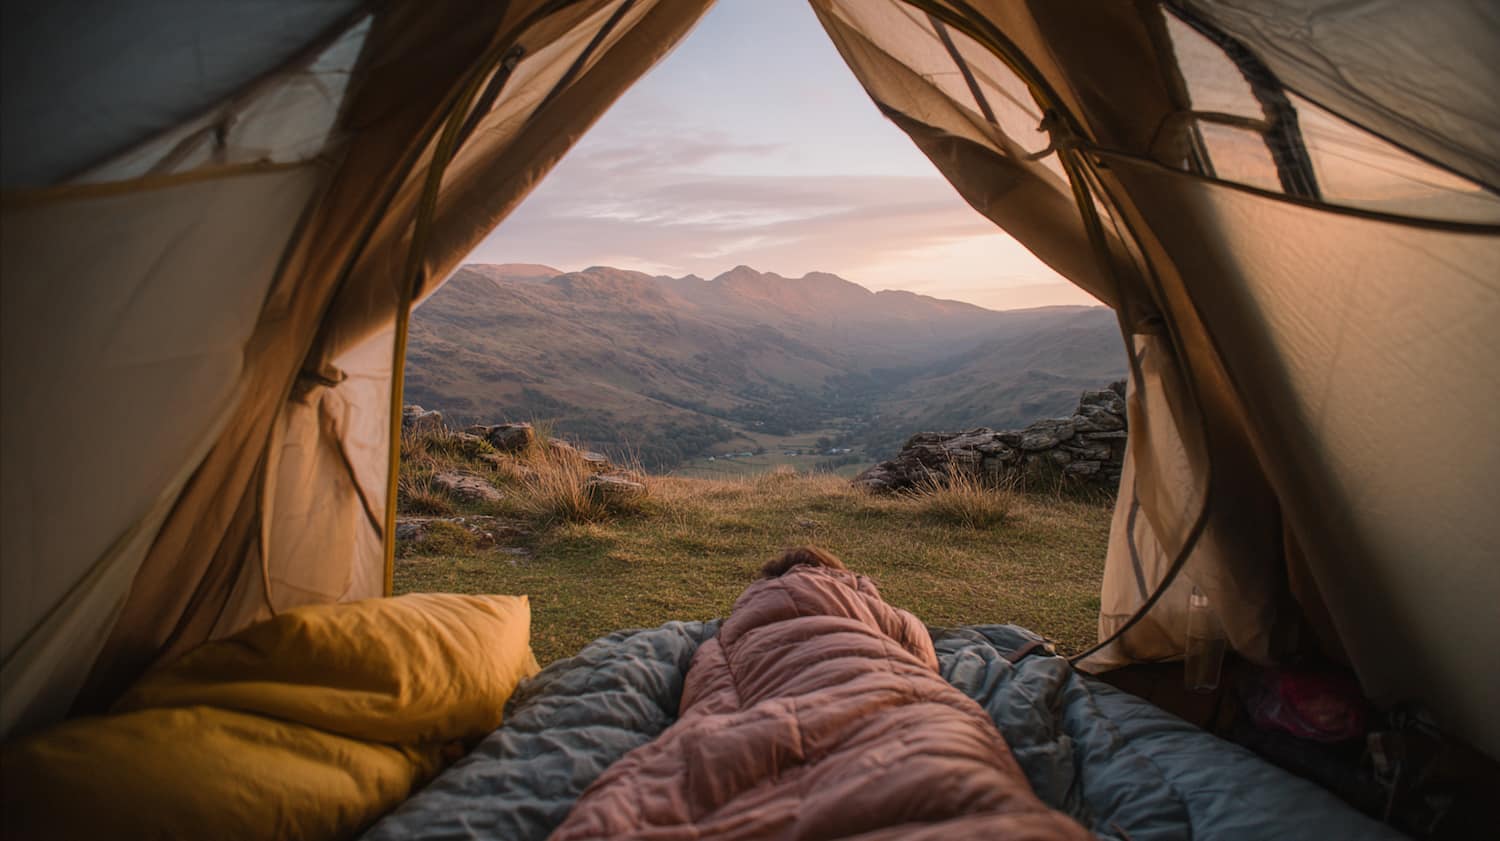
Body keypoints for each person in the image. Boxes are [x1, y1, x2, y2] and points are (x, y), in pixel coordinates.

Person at [549, 546, 1090, 840]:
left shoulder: (738, 621)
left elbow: (713, 678)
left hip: (767, 703)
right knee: (939, 773)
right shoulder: (869, 604)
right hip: (890, 707)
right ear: (837, 572)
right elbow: (921, 657)